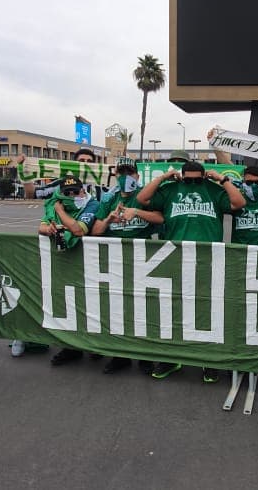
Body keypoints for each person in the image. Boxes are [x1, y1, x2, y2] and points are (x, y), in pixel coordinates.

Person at [136, 159, 245, 381]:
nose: (193, 183)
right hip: (175, 257)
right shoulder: (171, 189)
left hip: (208, 259)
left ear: (204, 176)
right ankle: (172, 357)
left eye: (198, 179)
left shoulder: (213, 189)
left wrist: (222, 179)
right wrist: (164, 177)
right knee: (174, 308)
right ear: (182, 176)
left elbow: (238, 203)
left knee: (206, 310)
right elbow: (142, 198)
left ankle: (207, 359)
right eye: (189, 179)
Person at [91, 157, 163, 374]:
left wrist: (137, 212)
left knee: (144, 310)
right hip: (115, 261)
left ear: (137, 176)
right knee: (117, 310)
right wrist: (108, 221)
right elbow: (95, 230)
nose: (125, 178)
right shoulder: (108, 198)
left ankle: (144, 356)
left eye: (129, 173)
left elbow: (161, 218)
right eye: (120, 173)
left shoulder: (144, 196)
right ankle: (119, 355)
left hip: (143, 261)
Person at [33, 175, 101, 366]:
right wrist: (50, 229)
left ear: (83, 190)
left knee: (92, 305)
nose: (72, 195)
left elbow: (77, 230)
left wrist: (60, 212)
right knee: (68, 304)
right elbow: (42, 225)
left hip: (90, 262)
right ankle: (72, 347)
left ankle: (95, 346)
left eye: (75, 192)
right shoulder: (54, 203)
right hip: (65, 262)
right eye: (67, 193)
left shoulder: (91, 204)